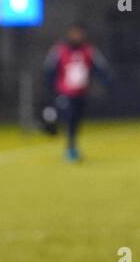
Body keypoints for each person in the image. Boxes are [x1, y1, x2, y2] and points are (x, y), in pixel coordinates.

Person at [42, 23, 111, 162]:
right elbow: (49, 70)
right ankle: (69, 146)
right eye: (75, 33)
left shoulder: (89, 51)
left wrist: (105, 82)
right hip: (64, 92)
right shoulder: (59, 50)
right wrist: (52, 89)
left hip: (81, 92)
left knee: (76, 120)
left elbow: (101, 68)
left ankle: (70, 144)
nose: (77, 36)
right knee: (70, 117)